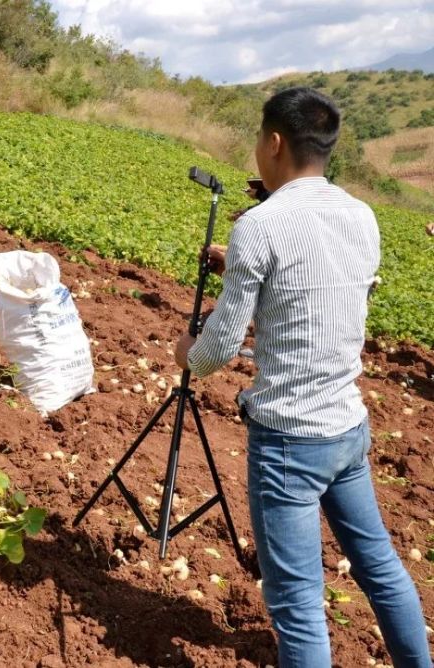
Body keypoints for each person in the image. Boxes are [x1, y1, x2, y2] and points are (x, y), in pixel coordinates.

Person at [174, 87, 431, 668]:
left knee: (296, 603)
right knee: (382, 571)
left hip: (289, 441)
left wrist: (186, 351)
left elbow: (216, 350)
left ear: (273, 142)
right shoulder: (362, 216)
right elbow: (320, 297)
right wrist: (242, 269)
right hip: (348, 429)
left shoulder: (260, 225)